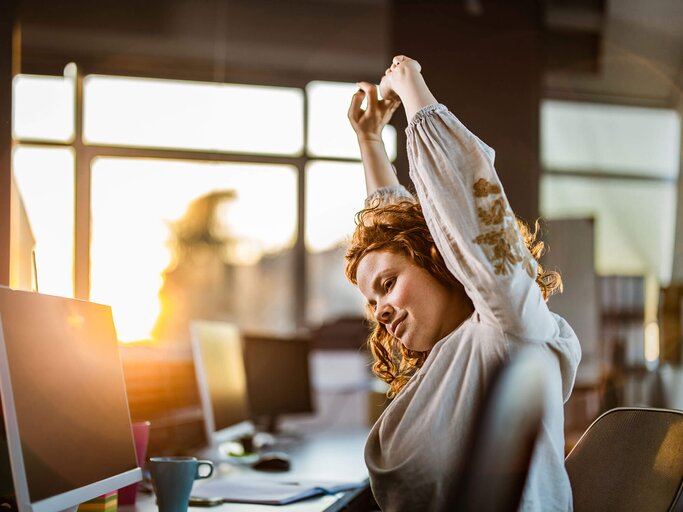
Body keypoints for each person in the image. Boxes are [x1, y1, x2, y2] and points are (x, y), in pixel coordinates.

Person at [345, 55, 581, 511]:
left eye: (389, 286)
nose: (381, 311)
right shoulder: (446, 360)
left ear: (440, 260)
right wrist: (370, 140)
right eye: (373, 302)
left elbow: (465, 211)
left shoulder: (508, 331)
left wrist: (413, 89)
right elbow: (397, 224)